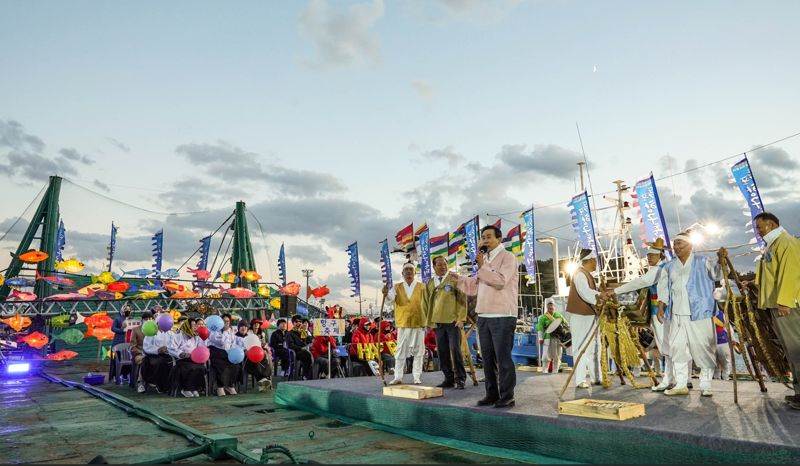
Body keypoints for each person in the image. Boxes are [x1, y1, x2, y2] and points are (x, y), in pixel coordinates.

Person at [450, 225, 519, 408]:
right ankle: (491, 394)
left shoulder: (508, 258)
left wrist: (482, 267)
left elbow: (500, 281)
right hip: (484, 315)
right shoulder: (486, 260)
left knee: (503, 358)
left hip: (503, 314)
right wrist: (460, 280)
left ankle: (507, 395)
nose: (485, 240)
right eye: (483, 237)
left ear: (499, 239)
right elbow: (475, 286)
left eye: (489, 236)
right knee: (487, 358)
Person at [598, 238, 677, 385]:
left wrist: (614, 291)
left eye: (652, 255)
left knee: (666, 345)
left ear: (660, 255)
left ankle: (674, 379)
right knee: (666, 345)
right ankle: (672, 378)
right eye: (648, 256)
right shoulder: (663, 268)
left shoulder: (660, 269)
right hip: (660, 310)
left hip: (660, 311)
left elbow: (641, 282)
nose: (649, 258)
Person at [656, 232, 725, 397]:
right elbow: (664, 289)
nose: (676, 247)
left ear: (690, 246)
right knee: (677, 348)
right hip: (676, 314)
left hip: (700, 312)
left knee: (703, 349)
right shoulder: (669, 266)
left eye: (680, 244)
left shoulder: (703, 261)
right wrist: (661, 307)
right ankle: (680, 384)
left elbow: (718, 274)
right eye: (675, 244)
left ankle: (706, 384)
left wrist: (721, 261)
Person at [751, 212, 800, 408]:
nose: (758, 231)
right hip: (776, 304)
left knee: (797, 351)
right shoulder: (773, 244)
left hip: (786, 306)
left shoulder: (785, 242)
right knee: (791, 352)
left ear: (770, 224)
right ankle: (798, 392)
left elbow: (791, 273)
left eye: (759, 227)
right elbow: (770, 273)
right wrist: (752, 284)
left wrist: (785, 301)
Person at [422, 255, 468, 389]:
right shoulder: (430, 283)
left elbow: (462, 298)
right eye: (439, 264)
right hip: (437, 322)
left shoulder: (454, 279)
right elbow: (425, 303)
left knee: (455, 350)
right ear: (434, 267)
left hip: (453, 321)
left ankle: (460, 378)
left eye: (445, 264)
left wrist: (461, 318)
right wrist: (427, 321)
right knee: (442, 351)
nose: (443, 267)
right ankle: (448, 378)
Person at [384, 262, 426, 385]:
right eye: (406, 270)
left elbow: (427, 305)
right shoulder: (397, 287)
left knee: (419, 352)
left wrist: (427, 321)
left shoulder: (422, 287)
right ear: (402, 273)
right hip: (402, 324)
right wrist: (386, 294)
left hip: (418, 323)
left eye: (410, 270)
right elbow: (389, 301)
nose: (408, 272)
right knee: (400, 351)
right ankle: (398, 376)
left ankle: (417, 376)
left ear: (414, 273)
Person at [566, 248, 602, 389]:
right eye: (595, 262)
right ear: (591, 260)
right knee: (581, 347)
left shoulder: (585, 274)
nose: (596, 264)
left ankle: (596, 377)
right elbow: (586, 293)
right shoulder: (580, 274)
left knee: (594, 347)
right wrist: (600, 296)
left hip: (589, 316)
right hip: (581, 317)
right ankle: (580, 380)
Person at [169, 319, 206, 397]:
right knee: (191, 368)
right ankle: (186, 389)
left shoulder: (196, 337)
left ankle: (194, 388)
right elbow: (171, 348)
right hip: (182, 360)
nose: (195, 327)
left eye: (196, 325)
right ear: (187, 326)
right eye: (193, 326)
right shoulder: (178, 336)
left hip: (194, 359)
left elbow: (201, 348)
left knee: (201, 368)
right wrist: (182, 354)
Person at [207, 313, 240, 396]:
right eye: (224, 321)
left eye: (228, 321)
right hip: (216, 353)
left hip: (227, 354)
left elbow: (233, 343)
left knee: (236, 365)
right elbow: (220, 342)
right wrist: (224, 331)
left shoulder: (231, 331)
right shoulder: (213, 331)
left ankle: (230, 385)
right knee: (220, 365)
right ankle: (220, 386)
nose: (226, 323)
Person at [235, 321, 272, 391]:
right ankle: (262, 379)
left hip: (255, 354)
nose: (243, 328)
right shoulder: (235, 337)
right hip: (244, 358)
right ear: (238, 328)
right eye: (241, 326)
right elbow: (234, 348)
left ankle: (263, 379)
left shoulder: (250, 336)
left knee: (263, 358)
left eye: (245, 326)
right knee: (253, 361)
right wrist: (244, 351)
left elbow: (257, 345)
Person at [141, 320, 174, 394]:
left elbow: (173, 344)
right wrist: (158, 350)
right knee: (160, 363)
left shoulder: (170, 333)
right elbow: (146, 347)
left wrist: (167, 348)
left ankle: (169, 385)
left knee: (170, 362)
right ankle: (159, 385)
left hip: (167, 354)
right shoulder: (151, 332)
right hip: (153, 355)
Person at [536, 298, 566, 374]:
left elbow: (566, 324)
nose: (550, 307)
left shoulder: (559, 315)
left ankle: (555, 370)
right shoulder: (543, 317)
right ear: (547, 307)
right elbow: (540, 328)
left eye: (552, 305)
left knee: (557, 355)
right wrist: (540, 338)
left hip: (558, 338)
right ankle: (545, 370)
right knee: (546, 355)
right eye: (549, 306)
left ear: (554, 306)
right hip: (547, 338)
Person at [131, 311, 153, 393]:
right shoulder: (136, 330)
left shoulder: (155, 330)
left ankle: (153, 381)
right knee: (143, 360)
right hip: (139, 354)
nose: (148, 320)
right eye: (146, 319)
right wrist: (140, 352)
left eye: (150, 319)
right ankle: (140, 383)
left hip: (152, 353)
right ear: (142, 320)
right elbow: (132, 346)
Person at [287, 315, 313, 379]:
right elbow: (290, 345)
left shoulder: (303, 332)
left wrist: (306, 332)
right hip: (297, 352)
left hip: (306, 349)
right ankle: (305, 375)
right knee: (307, 355)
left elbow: (310, 341)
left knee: (315, 354)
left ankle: (313, 374)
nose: (299, 323)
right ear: (293, 323)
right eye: (297, 321)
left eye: (300, 321)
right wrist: (300, 348)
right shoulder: (290, 333)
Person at [712, 309, 733, 380]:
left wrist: (733, 339)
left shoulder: (722, 314)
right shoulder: (705, 315)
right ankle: (717, 380)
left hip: (722, 342)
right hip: (711, 343)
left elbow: (728, 327)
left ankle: (726, 379)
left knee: (726, 364)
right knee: (715, 365)